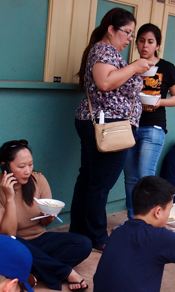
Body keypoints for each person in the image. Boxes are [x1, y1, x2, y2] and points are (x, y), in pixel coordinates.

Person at [70, 8, 151, 251]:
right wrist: (136, 67)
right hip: (109, 126)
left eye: (131, 34)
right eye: (127, 33)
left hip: (104, 123)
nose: (129, 39)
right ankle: (97, 237)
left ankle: (80, 232)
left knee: (89, 180)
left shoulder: (107, 51)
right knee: (100, 184)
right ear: (111, 29)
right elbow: (105, 82)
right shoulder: (103, 50)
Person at [0, 139, 92, 292]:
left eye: (30, 164)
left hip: (40, 239)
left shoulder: (38, 179)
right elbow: (7, 234)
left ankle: (37, 273)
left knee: (84, 243)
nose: (28, 171)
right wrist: (9, 197)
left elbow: (45, 224)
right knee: (13, 243)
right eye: (21, 166)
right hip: (14, 245)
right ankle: (66, 272)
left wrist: (49, 216)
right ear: (5, 166)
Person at [123, 23, 175, 218]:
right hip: (130, 126)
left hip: (154, 127)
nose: (145, 46)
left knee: (145, 176)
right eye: (141, 41)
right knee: (130, 178)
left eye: (150, 41)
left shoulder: (166, 67)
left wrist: (160, 101)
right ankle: (133, 221)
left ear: (157, 45)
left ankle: (148, 223)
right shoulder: (132, 66)